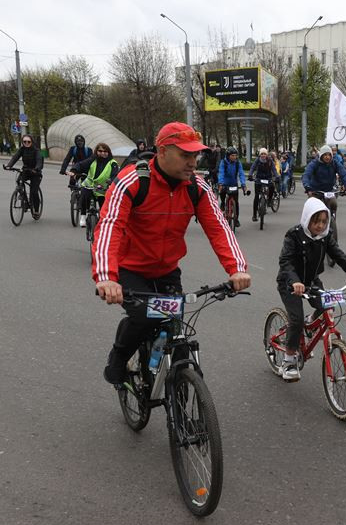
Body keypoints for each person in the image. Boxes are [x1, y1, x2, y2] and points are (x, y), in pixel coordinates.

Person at [92, 121, 250, 387]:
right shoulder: (133, 180)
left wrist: (237, 268)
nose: (193, 162)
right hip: (130, 269)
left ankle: (182, 397)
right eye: (185, 155)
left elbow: (219, 228)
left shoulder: (197, 187)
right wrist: (106, 277)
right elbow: (109, 226)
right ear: (163, 151)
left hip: (167, 269)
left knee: (177, 333)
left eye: (195, 155)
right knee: (144, 318)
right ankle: (119, 357)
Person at [276, 197, 346, 381]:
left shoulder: (325, 237)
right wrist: (295, 281)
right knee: (296, 320)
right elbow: (285, 261)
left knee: (328, 307)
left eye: (324, 222)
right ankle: (289, 360)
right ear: (307, 219)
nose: (320, 226)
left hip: (312, 282)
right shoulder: (293, 235)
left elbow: (340, 257)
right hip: (290, 283)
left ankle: (310, 322)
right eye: (316, 221)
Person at [301, 144, 346, 242]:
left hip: (329, 190)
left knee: (333, 203)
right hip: (316, 190)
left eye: (329, 155)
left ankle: (332, 221)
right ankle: (307, 227)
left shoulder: (335, 163)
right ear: (321, 155)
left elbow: (343, 175)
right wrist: (307, 187)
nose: (327, 157)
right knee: (311, 207)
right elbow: (306, 175)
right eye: (325, 155)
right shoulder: (314, 163)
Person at [70, 142, 118, 226]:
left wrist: (111, 181)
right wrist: (74, 170)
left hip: (103, 187)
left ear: (108, 152)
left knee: (103, 205)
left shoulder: (112, 163)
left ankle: (101, 218)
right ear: (96, 151)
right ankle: (83, 216)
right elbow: (81, 165)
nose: (102, 153)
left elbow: (115, 174)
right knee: (84, 194)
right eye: (100, 151)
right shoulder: (92, 160)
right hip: (89, 185)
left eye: (105, 151)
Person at [4, 134, 43, 212]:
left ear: (32, 142)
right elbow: (15, 157)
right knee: (19, 181)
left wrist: (36, 168)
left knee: (34, 192)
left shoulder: (36, 151)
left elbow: (39, 161)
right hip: (26, 171)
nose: (26, 143)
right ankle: (23, 197)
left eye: (28, 141)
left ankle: (36, 209)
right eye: (24, 141)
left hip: (35, 173)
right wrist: (9, 166)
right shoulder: (22, 149)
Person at [217, 146, 247, 226]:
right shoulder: (223, 162)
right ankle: (223, 203)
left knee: (236, 202)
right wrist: (221, 183)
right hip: (225, 183)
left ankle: (236, 219)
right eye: (232, 155)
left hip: (234, 184)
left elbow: (241, 173)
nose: (234, 157)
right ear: (228, 155)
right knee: (222, 192)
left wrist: (243, 184)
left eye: (235, 155)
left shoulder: (238, 163)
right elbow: (221, 173)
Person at [248, 147, 280, 222]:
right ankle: (254, 215)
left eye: (264, 154)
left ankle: (269, 201)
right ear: (260, 155)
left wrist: (277, 176)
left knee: (272, 187)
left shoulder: (270, 160)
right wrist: (250, 175)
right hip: (259, 178)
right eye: (262, 154)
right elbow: (252, 168)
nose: (263, 155)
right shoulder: (257, 160)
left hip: (268, 178)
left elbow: (274, 169)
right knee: (256, 196)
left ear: (266, 154)